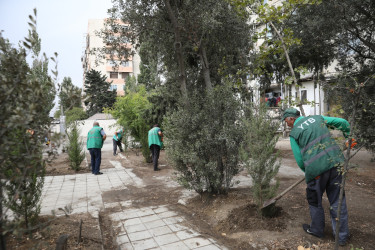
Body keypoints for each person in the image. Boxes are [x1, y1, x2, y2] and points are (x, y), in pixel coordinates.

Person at [282, 108, 350, 246]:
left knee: (315, 200)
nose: (286, 124)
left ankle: (317, 230)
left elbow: (300, 160)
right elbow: (343, 122)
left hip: (316, 171)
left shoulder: (294, 133)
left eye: (286, 121)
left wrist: (310, 171)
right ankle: (342, 236)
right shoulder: (318, 118)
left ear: (291, 119)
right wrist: (349, 136)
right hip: (337, 163)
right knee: (338, 200)